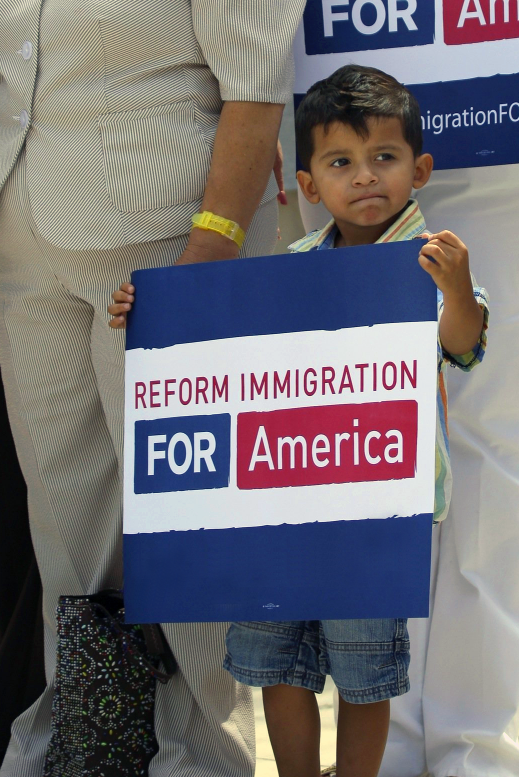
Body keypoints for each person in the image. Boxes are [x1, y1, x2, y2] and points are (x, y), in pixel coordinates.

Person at [0, 2, 307, 776]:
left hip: (170, 237)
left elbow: (255, 79)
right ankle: (91, 741)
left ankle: (198, 756)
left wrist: (214, 245)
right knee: (68, 521)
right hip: (25, 239)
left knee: (184, 519)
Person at [220, 65, 489, 777]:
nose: (365, 177)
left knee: (365, 668)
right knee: (278, 658)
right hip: (283, 503)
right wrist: (150, 315)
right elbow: (235, 354)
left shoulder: (427, 264)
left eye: (384, 158)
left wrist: (457, 289)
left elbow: (462, 343)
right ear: (309, 186)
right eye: (341, 162)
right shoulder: (292, 264)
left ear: (419, 168)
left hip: (375, 509)